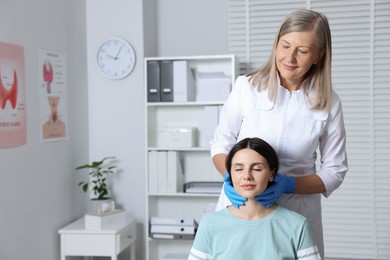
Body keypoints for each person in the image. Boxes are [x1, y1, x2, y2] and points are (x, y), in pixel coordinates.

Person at [210, 9, 348, 259]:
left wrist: (289, 184)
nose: (290, 58)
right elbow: (221, 145)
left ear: (319, 55)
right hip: (243, 206)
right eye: (285, 46)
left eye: (303, 51)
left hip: (296, 211)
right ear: (276, 43)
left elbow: (335, 171)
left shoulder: (328, 102)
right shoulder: (247, 87)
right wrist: (231, 178)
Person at [189, 137, 321, 260]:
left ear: (272, 174)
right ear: (229, 174)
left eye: (257, 169)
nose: (247, 176)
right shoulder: (210, 225)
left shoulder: (297, 225)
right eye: (238, 169)